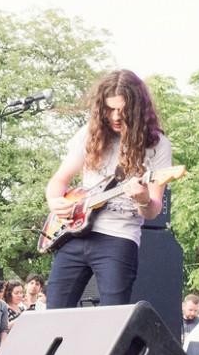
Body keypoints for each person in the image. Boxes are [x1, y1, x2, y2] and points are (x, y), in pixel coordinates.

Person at [45, 69, 172, 308]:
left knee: (111, 317)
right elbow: (58, 181)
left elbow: (153, 209)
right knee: (52, 314)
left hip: (118, 236)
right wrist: (54, 201)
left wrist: (143, 198)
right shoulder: (88, 134)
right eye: (109, 109)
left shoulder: (157, 146)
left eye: (122, 111)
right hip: (74, 233)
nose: (115, 116)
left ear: (136, 110)